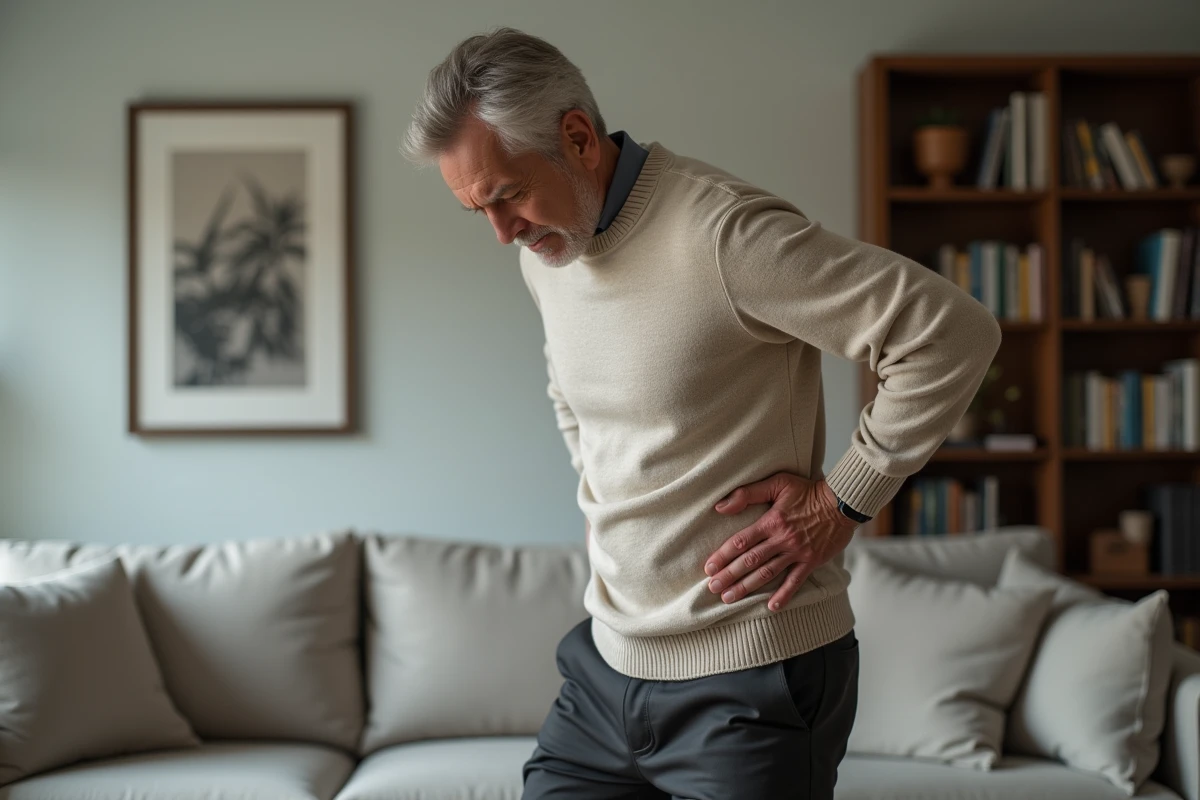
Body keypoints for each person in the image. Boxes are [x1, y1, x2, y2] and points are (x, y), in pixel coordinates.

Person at [402, 27, 1001, 800]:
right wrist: (602, 496)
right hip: (604, 669)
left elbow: (950, 334)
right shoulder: (548, 253)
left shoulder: (725, 236)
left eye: (509, 194)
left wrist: (840, 500)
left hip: (753, 679)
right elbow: (570, 390)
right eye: (476, 210)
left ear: (578, 138)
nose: (501, 232)